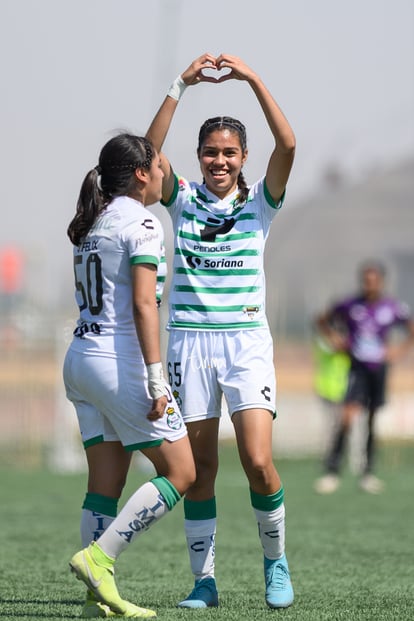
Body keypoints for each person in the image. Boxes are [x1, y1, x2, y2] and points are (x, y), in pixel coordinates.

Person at [145, 53, 296, 609]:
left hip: (245, 344)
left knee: (257, 460)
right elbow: (147, 154)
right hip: (190, 342)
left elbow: (289, 146)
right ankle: (204, 582)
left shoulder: (260, 202)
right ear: (199, 157)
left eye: (229, 152)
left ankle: (275, 564)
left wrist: (254, 77)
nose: (219, 160)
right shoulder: (181, 199)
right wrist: (180, 84)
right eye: (211, 152)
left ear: (243, 158)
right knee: (201, 468)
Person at [63, 133, 196, 618]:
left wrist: (178, 87)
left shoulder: (96, 219)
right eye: (158, 164)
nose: (164, 172)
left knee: (105, 483)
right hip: (118, 363)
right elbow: (143, 304)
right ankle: (100, 559)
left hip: (80, 358)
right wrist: (157, 379)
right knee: (181, 472)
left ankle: (95, 596)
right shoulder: (141, 221)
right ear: (142, 174)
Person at [314, 260, 414, 495]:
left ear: (380, 282)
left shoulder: (391, 307)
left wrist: (398, 351)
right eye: (366, 281)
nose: (370, 285)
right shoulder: (349, 305)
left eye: (374, 281)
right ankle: (332, 470)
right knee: (347, 417)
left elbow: (410, 328)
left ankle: (367, 473)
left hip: (378, 370)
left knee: (372, 419)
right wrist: (334, 339)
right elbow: (322, 320)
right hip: (356, 369)